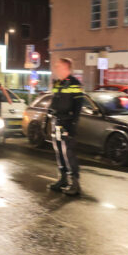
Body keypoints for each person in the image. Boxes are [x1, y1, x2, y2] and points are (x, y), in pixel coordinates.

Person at [48, 58, 84, 196]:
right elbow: (54, 102)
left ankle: (75, 184)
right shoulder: (58, 83)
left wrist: (72, 126)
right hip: (57, 122)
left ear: (66, 68)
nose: (56, 69)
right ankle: (62, 179)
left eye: (59, 66)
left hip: (67, 123)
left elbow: (78, 107)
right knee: (58, 151)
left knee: (68, 153)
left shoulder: (75, 83)